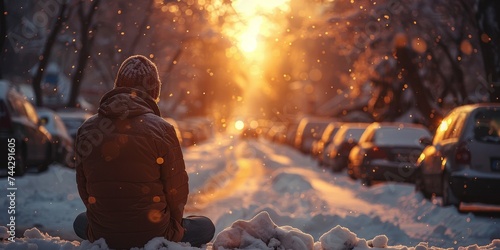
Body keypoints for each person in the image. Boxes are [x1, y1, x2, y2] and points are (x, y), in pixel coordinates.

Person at [73, 55, 215, 249]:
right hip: (154, 233)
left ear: (117, 86)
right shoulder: (163, 129)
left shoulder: (88, 129)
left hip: (104, 234)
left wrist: (106, 221)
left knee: (80, 222)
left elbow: (85, 187)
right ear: (154, 90)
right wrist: (172, 228)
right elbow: (176, 192)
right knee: (206, 227)